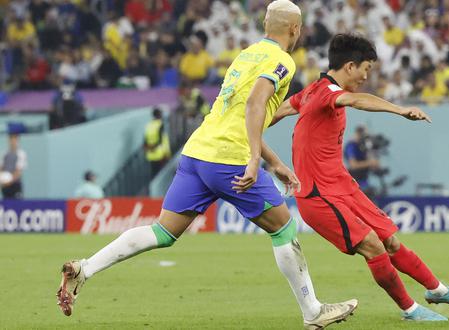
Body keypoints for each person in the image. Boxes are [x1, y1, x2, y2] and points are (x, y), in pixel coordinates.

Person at [57, 2, 357, 329]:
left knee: (162, 231)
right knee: (283, 227)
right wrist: (255, 160)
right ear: (295, 29)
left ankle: (84, 268)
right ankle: (313, 311)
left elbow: (235, 117)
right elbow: (256, 105)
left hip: (197, 153)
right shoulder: (282, 60)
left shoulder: (245, 56)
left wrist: (275, 162)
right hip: (230, 159)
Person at [271, 33, 449, 322]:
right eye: (366, 69)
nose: (366, 75)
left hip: (343, 187)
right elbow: (357, 100)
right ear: (350, 66)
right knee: (373, 245)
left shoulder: (311, 92)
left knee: (391, 241)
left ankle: (436, 289)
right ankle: (410, 309)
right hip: (318, 195)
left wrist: (256, 121)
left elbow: (282, 109)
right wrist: (399, 110)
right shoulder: (327, 93)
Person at [343, 125, 378, 196]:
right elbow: (353, 165)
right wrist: (370, 163)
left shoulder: (364, 146)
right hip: (354, 179)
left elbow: (374, 165)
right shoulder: (351, 145)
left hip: (364, 179)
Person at [143, 107, 171, 177]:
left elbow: (145, 139)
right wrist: (167, 153)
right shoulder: (160, 124)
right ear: (159, 115)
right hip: (160, 153)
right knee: (160, 176)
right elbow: (162, 140)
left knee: (154, 174)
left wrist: (148, 147)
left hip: (151, 154)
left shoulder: (148, 125)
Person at [1, 133, 27, 199]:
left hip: (15, 185)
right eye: (11, 139)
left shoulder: (21, 154)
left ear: (17, 141)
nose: (13, 142)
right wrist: (3, 180)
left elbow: (18, 171)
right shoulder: (4, 154)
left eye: (15, 139)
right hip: (5, 186)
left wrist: (9, 181)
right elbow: (1, 168)